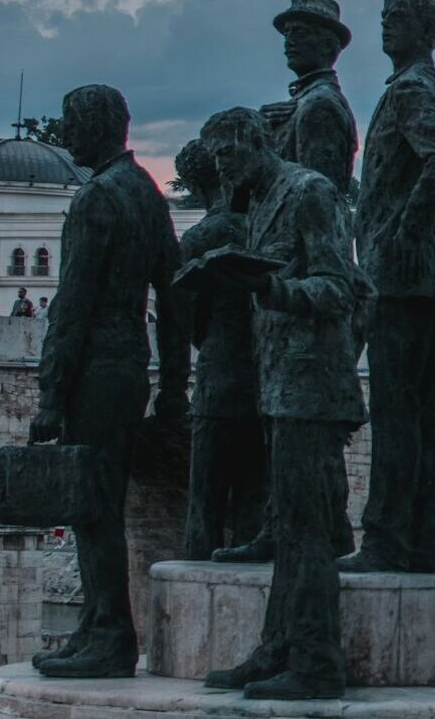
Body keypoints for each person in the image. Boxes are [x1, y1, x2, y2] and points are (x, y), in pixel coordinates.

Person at [197, 107, 368, 700]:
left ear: (249, 142)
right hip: (280, 387)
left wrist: (270, 288)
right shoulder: (261, 202)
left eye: (225, 157)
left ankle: (318, 664)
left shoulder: (310, 191)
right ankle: (276, 649)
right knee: (288, 529)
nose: (221, 171)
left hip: (312, 389)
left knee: (307, 530)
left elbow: (339, 288)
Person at [27, 85, 190, 678]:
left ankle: (109, 635)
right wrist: (173, 385)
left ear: (97, 126)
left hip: (94, 371)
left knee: (91, 507)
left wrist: (50, 393)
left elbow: (71, 304)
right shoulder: (146, 193)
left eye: (72, 124)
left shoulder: (97, 198)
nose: (66, 138)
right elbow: (175, 299)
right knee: (101, 505)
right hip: (128, 369)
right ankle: (97, 626)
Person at [342, 0, 435, 575]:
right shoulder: (415, 86)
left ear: (424, 30)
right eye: (383, 17)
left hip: (400, 279)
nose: (384, 28)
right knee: (419, 416)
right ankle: (427, 539)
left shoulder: (413, 88)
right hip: (412, 279)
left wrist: (403, 230)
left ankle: (388, 540)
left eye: (395, 19)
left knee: (397, 415)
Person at [173, 139, 269, 561]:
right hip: (264, 376)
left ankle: (197, 573)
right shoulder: (262, 228)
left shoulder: (198, 238)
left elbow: (187, 318)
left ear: (195, 181)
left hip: (217, 375)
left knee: (205, 497)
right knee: (255, 493)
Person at [260, 0, 358, 197]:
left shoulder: (320, 104)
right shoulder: (302, 100)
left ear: (328, 45)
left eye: (299, 32)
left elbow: (318, 193)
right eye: (286, 33)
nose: (289, 41)